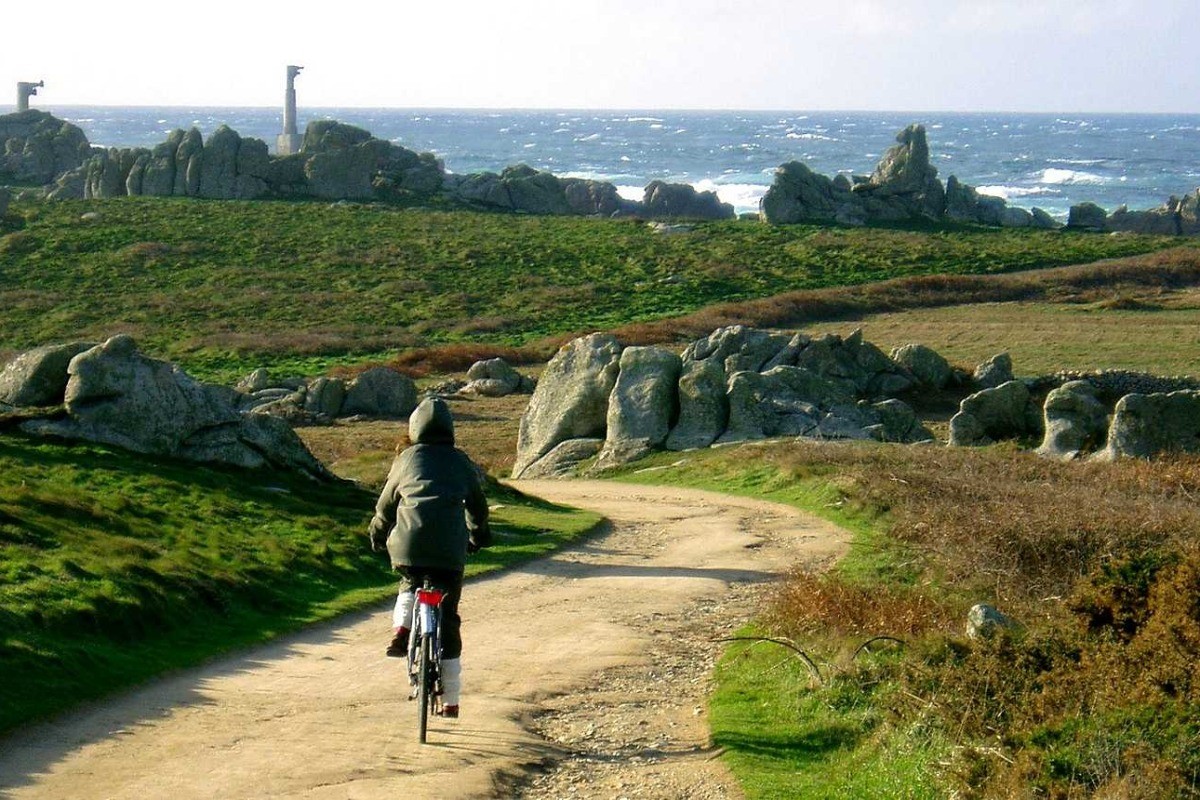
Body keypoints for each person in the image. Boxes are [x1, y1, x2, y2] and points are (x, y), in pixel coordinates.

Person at [368, 396, 491, 719]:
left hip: (409, 546)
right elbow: (478, 508)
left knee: (409, 584)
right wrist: (479, 536)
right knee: (447, 619)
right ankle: (450, 701)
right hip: (450, 551)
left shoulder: (406, 460)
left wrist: (377, 537)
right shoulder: (460, 461)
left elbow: (384, 508)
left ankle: (401, 630)